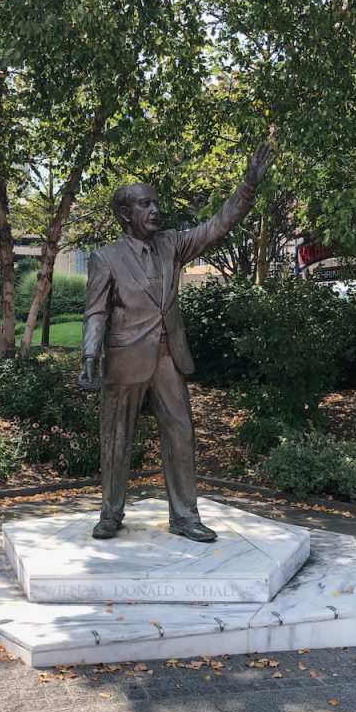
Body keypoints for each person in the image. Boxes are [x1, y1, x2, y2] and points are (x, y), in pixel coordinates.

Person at [79, 144, 274, 541]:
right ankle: (110, 514)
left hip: (168, 357)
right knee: (117, 438)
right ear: (124, 214)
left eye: (156, 204)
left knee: (181, 433)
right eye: (145, 205)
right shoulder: (106, 258)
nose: (155, 211)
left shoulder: (172, 245)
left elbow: (218, 224)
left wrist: (248, 186)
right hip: (124, 358)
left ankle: (185, 516)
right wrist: (89, 354)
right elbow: (96, 312)